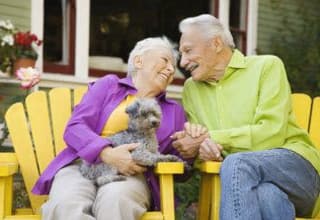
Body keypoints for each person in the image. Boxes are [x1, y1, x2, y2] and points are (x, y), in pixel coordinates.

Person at [173, 14, 320, 220]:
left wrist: (213, 138)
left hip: (297, 171)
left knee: (236, 163)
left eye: (188, 51)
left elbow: (272, 134)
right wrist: (204, 152)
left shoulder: (267, 67)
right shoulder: (192, 89)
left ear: (216, 43)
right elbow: (202, 145)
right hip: (251, 183)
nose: (183, 61)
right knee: (268, 197)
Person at [31, 37, 194, 220]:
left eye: (173, 65)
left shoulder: (173, 111)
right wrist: (106, 153)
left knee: (116, 201)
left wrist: (190, 150)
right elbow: (75, 127)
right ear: (139, 61)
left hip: (131, 174)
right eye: (165, 60)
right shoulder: (109, 86)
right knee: (66, 203)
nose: (172, 69)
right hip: (83, 164)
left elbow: (180, 168)